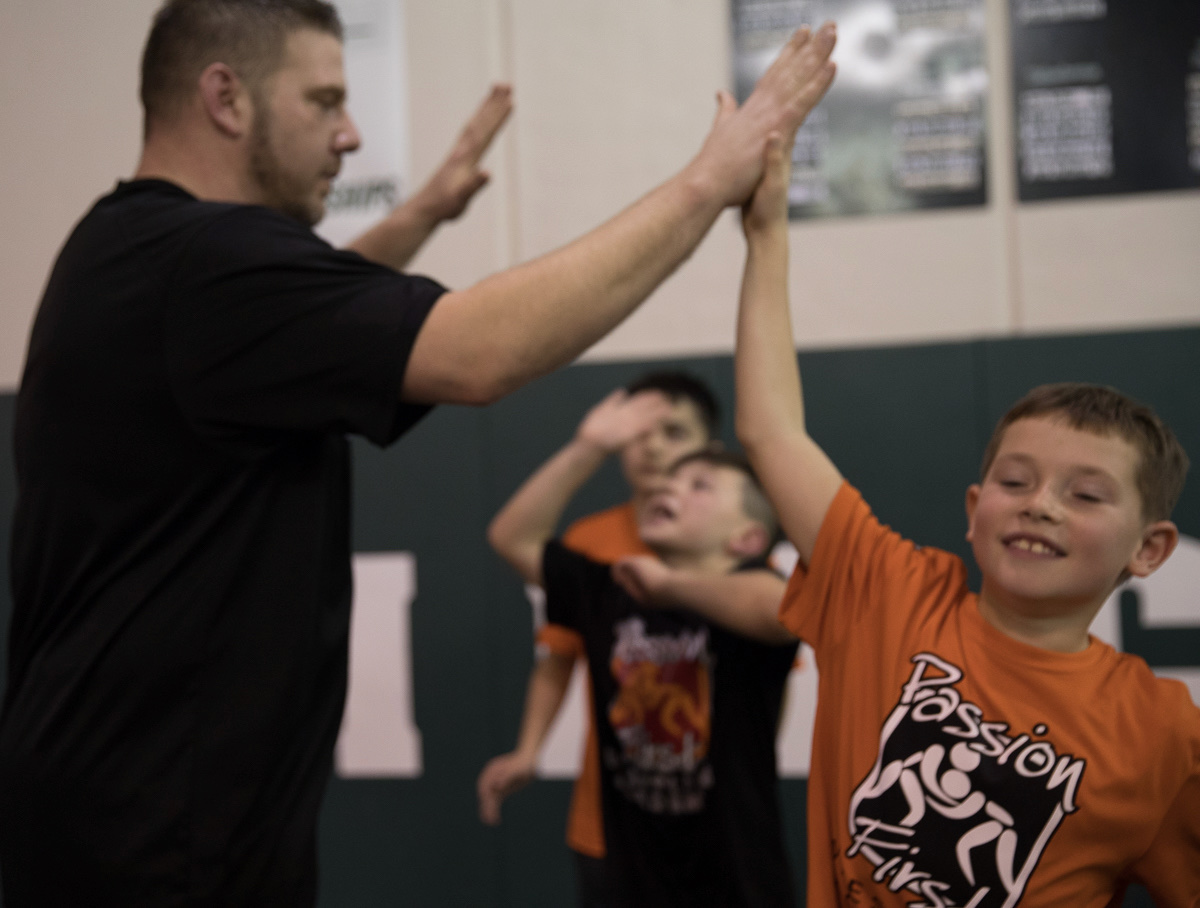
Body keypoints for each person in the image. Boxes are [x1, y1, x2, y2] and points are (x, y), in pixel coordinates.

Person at [0, 0, 838, 903]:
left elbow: (296, 318)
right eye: (324, 101)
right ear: (225, 98)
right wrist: (707, 182)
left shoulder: (133, 253)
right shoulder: (200, 261)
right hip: (151, 850)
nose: (351, 134)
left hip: (126, 826)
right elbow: (481, 353)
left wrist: (426, 213)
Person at [728, 132, 1200, 902]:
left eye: (1085, 495)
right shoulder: (887, 594)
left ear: (1149, 549)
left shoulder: (1163, 733)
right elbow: (771, 431)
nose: (1041, 504)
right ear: (976, 512)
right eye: (1016, 481)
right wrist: (767, 234)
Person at [486, 390, 800, 908]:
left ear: (746, 539)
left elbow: (781, 612)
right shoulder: (611, 588)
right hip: (631, 874)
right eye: (670, 480)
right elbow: (511, 538)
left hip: (736, 877)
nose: (669, 486)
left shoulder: (751, 592)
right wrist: (586, 448)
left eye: (699, 485)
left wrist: (671, 587)